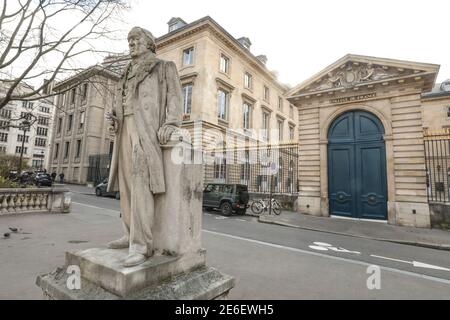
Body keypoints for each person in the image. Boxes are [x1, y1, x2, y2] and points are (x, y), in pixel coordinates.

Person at [105, 26, 182, 267]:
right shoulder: (124, 74)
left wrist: (171, 123)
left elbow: (174, 97)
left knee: (141, 185)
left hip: (145, 131)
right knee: (126, 186)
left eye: (135, 39)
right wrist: (115, 119)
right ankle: (130, 235)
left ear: (148, 43)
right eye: (129, 39)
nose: (131, 43)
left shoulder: (163, 66)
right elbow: (122, 104)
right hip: (125, 129)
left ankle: (141, 245)